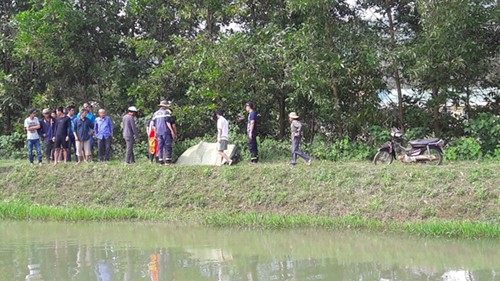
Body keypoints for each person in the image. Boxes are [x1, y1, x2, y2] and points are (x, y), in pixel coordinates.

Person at [153, 100, 170, 165]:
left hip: (158, 132)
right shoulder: (166, 113)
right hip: (165, 131)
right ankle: (167, 161)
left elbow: (154, 125)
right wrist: (172, 131)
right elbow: (167, 122)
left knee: (160, 146)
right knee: (167, 146)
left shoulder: (155, 113)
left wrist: (155, 133)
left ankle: (160, 161)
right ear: (164, 106)